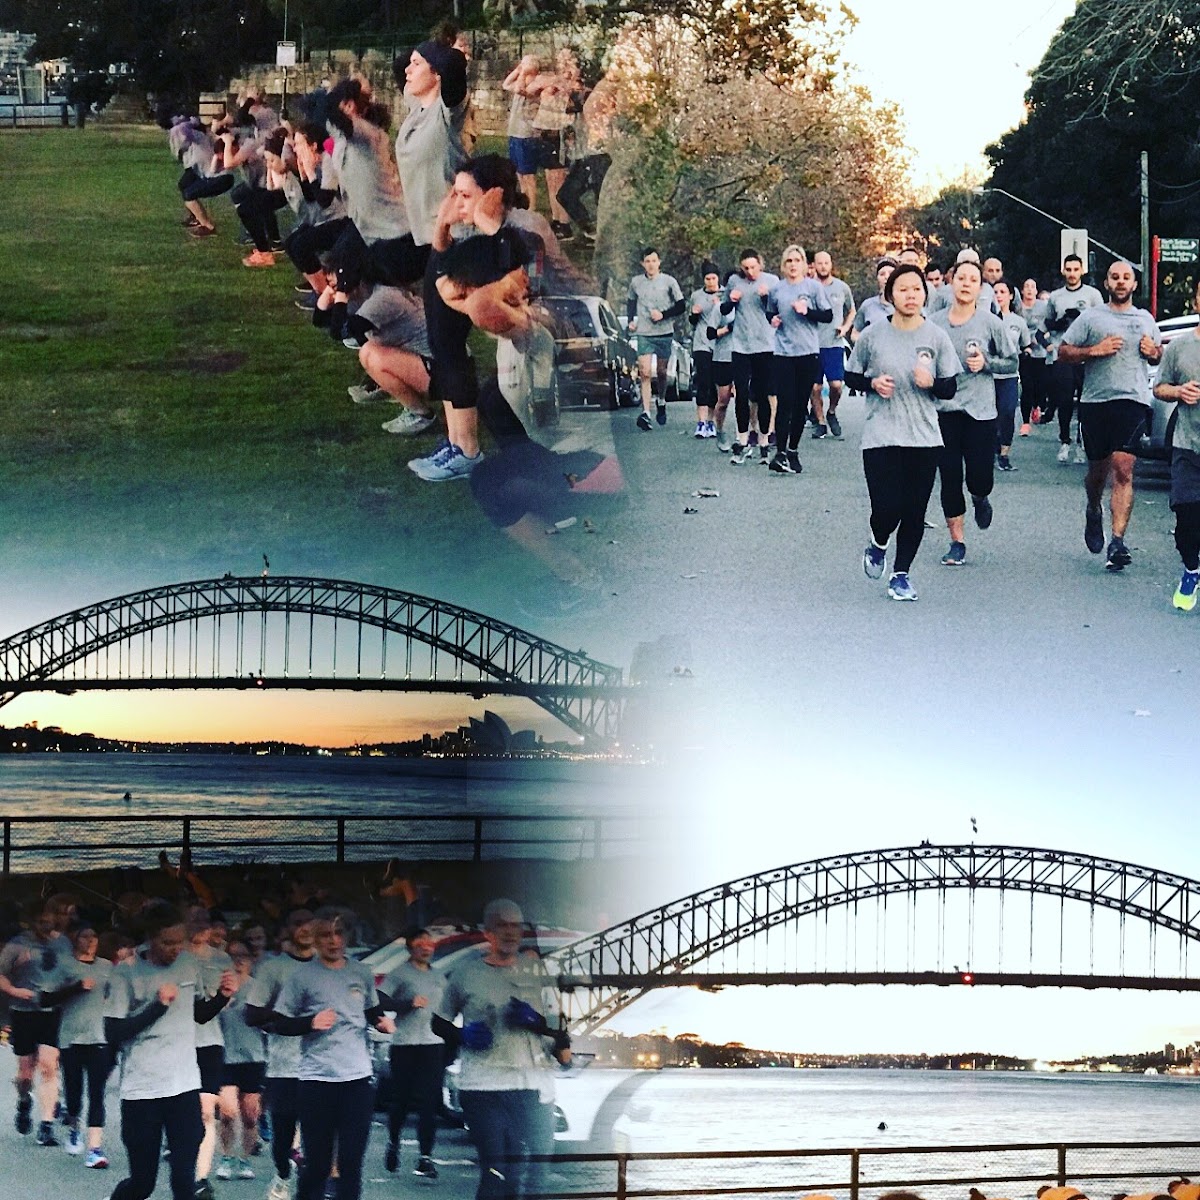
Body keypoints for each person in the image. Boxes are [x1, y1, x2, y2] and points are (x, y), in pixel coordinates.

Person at [434, 899, 571, 1200]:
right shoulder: (465, 974)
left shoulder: (537, 973)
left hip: (527, 1086)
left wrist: (536, 1022)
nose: (510, 932)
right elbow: (438, 1023)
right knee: (494, 1173)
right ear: (488, 932)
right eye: (502, 925)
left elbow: (560, 1030)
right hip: (482, 1086)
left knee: (518, 1178)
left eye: (516, 925)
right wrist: (462, 1035)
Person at [103, 902, 238, 1200]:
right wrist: (157, 1006)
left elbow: (198, 1014)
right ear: (150, 938)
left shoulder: (189, 963)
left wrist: (220, 998)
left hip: (184, 1087)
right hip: (142, 1091)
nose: (175, 949)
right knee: (142, 1183)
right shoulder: (126, 973)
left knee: (183, 1182)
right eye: (167, 943)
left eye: (179, 942)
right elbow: (113, 1033)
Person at [845, 263, 961, 601]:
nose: (911, 295)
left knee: (914, 510)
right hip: (881, 434)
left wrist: (933, 383)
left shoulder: (936, 336)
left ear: (925, 294)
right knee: (886, 507)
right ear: (890, 295)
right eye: (903, 289)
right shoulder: (873, 335)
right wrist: (871, 382)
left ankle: (901, 575)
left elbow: (950, 387)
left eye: (917, 289)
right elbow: (851, 375)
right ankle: (878, 542)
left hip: (924, 437)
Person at [273, 908, 395, 1200]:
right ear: (315, 939)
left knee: (352, 1163)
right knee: (318, 1164)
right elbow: (279, 1022)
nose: (333, 941)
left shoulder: (361, 973)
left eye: (339, 934)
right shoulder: (302, 977)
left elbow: (370, 1009)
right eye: (326, 935)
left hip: (357, 1080)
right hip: (317, 1081)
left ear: (347, 937)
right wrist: (309, 1023)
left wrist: (381, 1020)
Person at [1058, 259, 1162, 570]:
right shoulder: (1091, 317)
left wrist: (1152, 352)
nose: (1120, 282)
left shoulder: (1145, 319)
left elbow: (1159, 353)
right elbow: (1063, 352)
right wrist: (1093, 351)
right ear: (1106, 283)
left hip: (1131, 400)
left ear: (1134, 285)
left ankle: (1117, 542)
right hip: (1095, 402)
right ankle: (1093, 508)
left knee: (1123, 468)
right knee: (1098, 472)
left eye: (1126, 278)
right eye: (1114, 277)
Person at [929, 259, 1015, 566]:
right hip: (944, 409)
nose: (966, 284)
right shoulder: (934, 322)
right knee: (950, 475)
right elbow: (923, 356)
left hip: (979, 411)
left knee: (979, 476)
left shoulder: (991, 323)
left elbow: (1013, 362)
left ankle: (980, 497)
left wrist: (987, 364)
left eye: (972, 280)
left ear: (981, 288)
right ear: (952, 283)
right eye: (961, 278)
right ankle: (957, 541)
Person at [244, 908, 317, 1200]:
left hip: (323, 1065)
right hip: (284, 1065)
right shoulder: (273, 969)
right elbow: (251, 1014)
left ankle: (313, 1186)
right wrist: (289, 1019)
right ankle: (282, 1174)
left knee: (319, 1133)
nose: (304, 929)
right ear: (288, 929)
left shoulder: (331, 967)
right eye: (298, 923)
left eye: (310, 923)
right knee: (283, 1133)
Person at [39, 923, 114, 1167]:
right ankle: (74, 1128)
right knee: (74, 1093)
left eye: (94, 936)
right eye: (85, 936)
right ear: (76, 940)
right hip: (71, 1038)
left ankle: (95, 1149)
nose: (91, 940)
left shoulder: (106, 967)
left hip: (98, 1038)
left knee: (97, 1093)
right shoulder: (65, 966)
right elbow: (45, 998)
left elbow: (115, 996)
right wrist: (76, 988)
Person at [0, 898, 71, 1145]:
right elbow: (1, 977)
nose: (46, 926)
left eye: (50, 921)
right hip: (23, 1011)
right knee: (26, 1073)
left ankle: (46, 1124)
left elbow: (71, 971)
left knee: (48, 1065)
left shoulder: (63, 943)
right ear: (31, 922)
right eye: (41, 922)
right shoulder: (17, 946)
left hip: (51, 1010)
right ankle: (23, 1100)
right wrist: (16, 991)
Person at [380, 928, 446, 1179]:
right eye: (420, 944)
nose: (426, 948)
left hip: (433, 1044)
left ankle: (425, 1158)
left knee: (430, 1103)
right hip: (405, 1044)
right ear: (410, 948)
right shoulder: (399, 974)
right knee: (402, 1101)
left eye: (429, 944)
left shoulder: (439, 976)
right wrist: (407, 1003)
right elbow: (381, 1001)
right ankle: (393, 1142)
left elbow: (447, 1011)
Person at [1153, 278, 1200, 609]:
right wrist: (1179, 392)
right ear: (1196, 301)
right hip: (1187, 444)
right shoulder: (1181, 346)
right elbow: (1159, 388)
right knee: (1185, 519)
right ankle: (1191, 569)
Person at [766, 245, 833, 473]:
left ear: (805, 264)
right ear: (784, 266)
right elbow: (770, 312)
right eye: (789, 261)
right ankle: (781, 453)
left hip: (808, 352)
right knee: (784, 402)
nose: (793, 265)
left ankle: (793, 450)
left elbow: (827, 315)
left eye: (797, 260)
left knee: (799, 405)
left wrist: (807, 312)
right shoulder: (777, 289)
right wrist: (772, 320)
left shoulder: (813, 288)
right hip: (783, 352)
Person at [215, 940, 267, 1183]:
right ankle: (226, 1157)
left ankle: (244, 1159)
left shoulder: (258, 988)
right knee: (227, 1112)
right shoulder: (219, 986)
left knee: (249, 1115)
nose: (238, 961)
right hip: (224, 1055)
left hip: (253, 1056)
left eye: (243, 956)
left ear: (251, 960)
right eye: (233, 957)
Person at [1044, 253, 1105, 460]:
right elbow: (1046, 324)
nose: (1072, 274)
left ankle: (1082, 443)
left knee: (1085, 400)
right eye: (1068, 270)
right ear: (1064, 271)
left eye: (1075, 269)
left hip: (1087, 355)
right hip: (1063, 354)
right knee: (1064, 400)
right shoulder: (1055, 297)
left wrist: (1082, 321)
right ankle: (1064, 441)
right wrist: (1060, 323)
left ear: (1082, 271)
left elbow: (1102, 322)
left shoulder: (1093, 295)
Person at [726, 249, 781, 463]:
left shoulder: (772, 281)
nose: (750, 272)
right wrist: (731, 301)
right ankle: (741, 439)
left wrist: (766, 296)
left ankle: (764, 440)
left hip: (765, 344)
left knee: (763, 393)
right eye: (746, 268)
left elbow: (776, 310)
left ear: (760, 264)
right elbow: (724, 309)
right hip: (741, 344)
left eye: (753, 267)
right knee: (741, 392)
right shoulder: (734, 281)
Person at [626, 247, 685, 430]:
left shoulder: (669, 282)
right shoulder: (636, 282)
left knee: (661, 372)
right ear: (643, 263)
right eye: (647, 261)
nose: (651, 264)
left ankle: (661, 400)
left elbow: (681, 305)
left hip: (664, 332)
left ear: (659, 262)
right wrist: (630, 320)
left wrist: (663, 314)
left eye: (654, 261)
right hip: (644, 332)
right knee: (644, 371)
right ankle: (646, 413)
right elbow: (630, 301)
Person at [810, 250, 855, 439]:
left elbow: (851, 311)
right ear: (814, 265)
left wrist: (845, 327)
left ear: (831, 264)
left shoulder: (841, 287)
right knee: (815, 387)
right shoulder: (809, 288)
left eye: (826, 263)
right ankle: (820, 422)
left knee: (836, 385)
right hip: (812, 344)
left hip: (834, 343)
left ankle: (832, 412)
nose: (823, 266)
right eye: (819, 263)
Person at [991, 278, 1032, 471]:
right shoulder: (986, 318)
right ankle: (991, 448)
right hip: (988, 375)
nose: (998, 295)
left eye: (1002, 292)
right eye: (995, 292)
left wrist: (1027, 353)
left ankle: (1004, 453)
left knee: (1007, 412)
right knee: (991, 415)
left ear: (1010, 295)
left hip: (1009, 374)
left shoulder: (1018, 321)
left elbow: (1026, 344)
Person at [687, 261, 724, 440]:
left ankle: (711, 421)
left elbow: (729, 319)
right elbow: (692, 322)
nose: (710, 282)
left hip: (720, 344)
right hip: (701, 343)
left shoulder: (724, 295)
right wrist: (694, 314)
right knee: (703, 381)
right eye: (707, 279)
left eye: (713, 278)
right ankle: (700, 422)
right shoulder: (696, 296)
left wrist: (719, 306)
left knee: (715, 386)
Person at [1017, 277, 1050, 432]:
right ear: (1022, 290)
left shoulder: (1043, 307)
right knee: (1027, 387)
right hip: (1025, 352)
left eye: (1033, 287)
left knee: (1041, 386)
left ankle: (1037, 407)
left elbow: (1050, 324)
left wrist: (1044, 338)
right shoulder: (1018, 308)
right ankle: (1025, 423)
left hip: (1041, 353)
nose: (1029, 290)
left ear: (1036, 291)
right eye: (1027, 286)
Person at [850, 258, 897, 342]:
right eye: (882, 274)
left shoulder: (908, 304)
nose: (886, 277)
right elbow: (855, 334)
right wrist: (867, 344)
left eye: (891, 273)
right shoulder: (868, 305)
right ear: (877, 279)